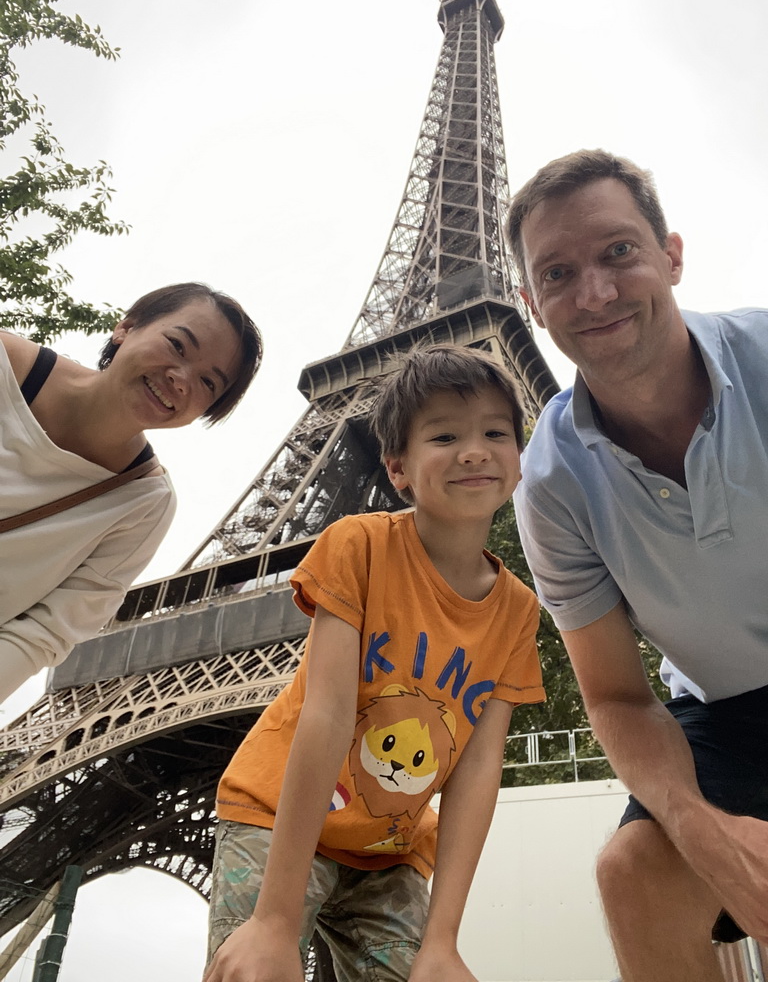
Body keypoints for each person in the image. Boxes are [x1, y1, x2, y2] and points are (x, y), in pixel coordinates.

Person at [506, 149, 768, 982]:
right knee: (634, 873)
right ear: (530, 304)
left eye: (619, 252)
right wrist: (702, 829)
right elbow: (617, 695)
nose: (595, 292)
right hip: (727, 709)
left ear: (672, 255)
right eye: (558, 272)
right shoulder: (547, 484)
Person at [204, 344, 545, 982]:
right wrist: (275, 921)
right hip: (278, 814)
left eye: (496, 433)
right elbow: (329, 713)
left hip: (390, 850)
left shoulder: (518, 610)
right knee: (259, 968)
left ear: (519, 461)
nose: (474, 450)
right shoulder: (357, 544)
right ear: (398, 469)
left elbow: (476, 773)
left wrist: (443, 941)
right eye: (444, 435)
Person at [0, 281, 262, 704]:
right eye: (178, 346)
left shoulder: (146, 505)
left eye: (210, 383)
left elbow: (45, 631)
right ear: (126, 327)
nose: (181, 379)